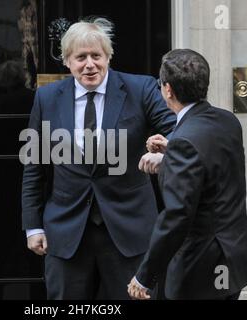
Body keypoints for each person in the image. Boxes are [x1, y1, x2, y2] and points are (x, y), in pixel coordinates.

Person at [21, 17, 176, 299]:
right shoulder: (47, 98)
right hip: (67, 232)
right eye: (81, 57)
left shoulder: (140, 89)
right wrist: (33, 226)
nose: (89, 64)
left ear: (109, 57)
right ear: (67, 61)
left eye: (97, 56)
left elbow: (180, 129)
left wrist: (167, 153)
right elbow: (34, 165)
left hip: (129, 231)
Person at [128, 49, 247, 300]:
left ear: (168, 90)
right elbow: (212, 170)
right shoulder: (227, 121)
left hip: (201, 268)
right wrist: (170, 156)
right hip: (234, 258)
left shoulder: (185, 141)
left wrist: (145, 276)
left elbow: (176, 217)